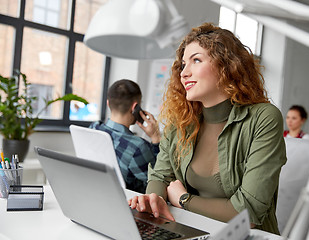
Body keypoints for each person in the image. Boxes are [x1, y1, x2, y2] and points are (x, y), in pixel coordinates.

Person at [128, 23, 287, 234]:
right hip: (191, 230)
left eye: (196, 60)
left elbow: (248, 212)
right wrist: (154, 199)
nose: (184, 73)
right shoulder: (181, 121)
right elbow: (161, 176)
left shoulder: (263, 118)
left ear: (227, 66)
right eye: (183, 64)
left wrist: (184, 200)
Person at [90, 79, 161, 193]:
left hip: (97, 193)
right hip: (130, 204)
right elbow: (159, 180)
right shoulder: (137, 146)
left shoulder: (93, 128)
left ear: (108, 103)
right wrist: (156, 139)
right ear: (135, 108)